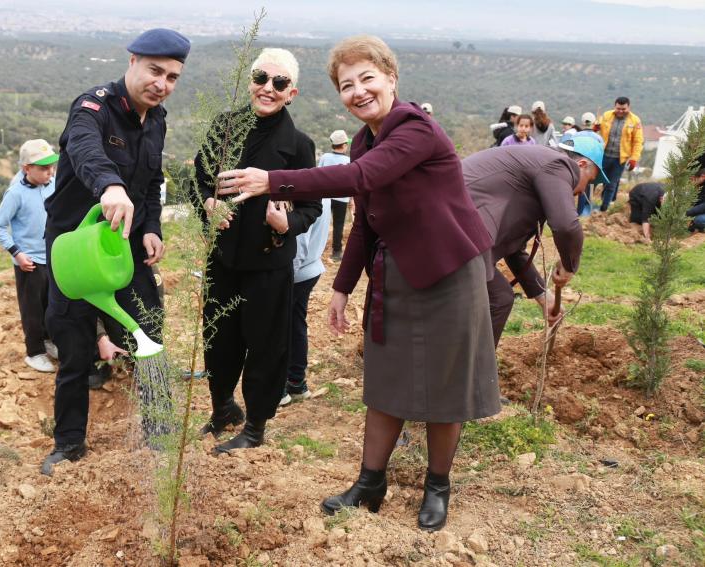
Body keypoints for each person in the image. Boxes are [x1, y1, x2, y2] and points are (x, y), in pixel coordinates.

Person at [217, 35, 499, 532]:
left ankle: (438, 486)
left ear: (392, 78)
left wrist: (272, 181)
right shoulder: (369, 139)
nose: (359, 91)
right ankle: (370, 483)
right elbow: (367, 217)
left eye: (368, 78)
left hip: (449, 269)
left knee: (444, 382)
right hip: (397, 271)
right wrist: (343, 286)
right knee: (386, 379)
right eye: (347, 85)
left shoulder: (415, 130)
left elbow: (361, 179)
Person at [40, 28, 190, 476]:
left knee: (149, 337)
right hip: (73, 249)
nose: (161, 83)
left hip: (124, 250)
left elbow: (151, 184)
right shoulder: (93, 107)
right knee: (74, 347)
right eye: (154, 70)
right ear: (131, 62)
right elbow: (85, 150)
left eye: (172, 77)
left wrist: (151, 227)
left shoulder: (157, 120)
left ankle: (161, 436)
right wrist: (109, 185)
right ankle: (68, 445)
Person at [195, 48, 322, 454]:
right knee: (218, 339)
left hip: (268, 264)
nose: (268, 88)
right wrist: (208, 205)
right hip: (223, 260)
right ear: (251, 80)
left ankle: (254, 427)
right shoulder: (225, 127)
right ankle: (222, 409)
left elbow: (312, 207)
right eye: (261, 78)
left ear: (292, 93)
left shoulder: (299, 145)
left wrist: (288, 224)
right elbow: (198, 180)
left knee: (266, 346)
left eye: (279, 83)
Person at [462, 136, 609, 347]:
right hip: (456, 233)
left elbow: (514, 250)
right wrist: (569, 265)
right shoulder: (557, 164)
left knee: (499, 298)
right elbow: (566, 225)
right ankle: (472, 374)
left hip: (458, 233)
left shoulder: (538, 167)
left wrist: (543, 296)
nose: (583, 191)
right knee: (496, 300)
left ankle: (473, 372)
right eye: (590, 180)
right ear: (581, 164)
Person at [0, 139, 59, 373]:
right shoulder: (16, 193)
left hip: (53, 256)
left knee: (52, 305)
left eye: (52, 166)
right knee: (32, 309)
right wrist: (17, 254)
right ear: (26, 169)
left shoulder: (53, 183)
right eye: (43, 168)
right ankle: (35, 352)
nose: (49, 172)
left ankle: (49, 342)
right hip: (29, 262)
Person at [278, 195, 332, 406]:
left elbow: (299, 242)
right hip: (310, 268)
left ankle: (280, 390)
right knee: (295, 324)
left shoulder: (302, 193)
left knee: (279, 329)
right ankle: (296, 383)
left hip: (297, 272)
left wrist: (284, 281)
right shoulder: (322, 191)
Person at [597, 96, 643, 212]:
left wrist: (634, 159)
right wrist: (595, 127)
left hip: (620, 159)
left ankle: (604, 208)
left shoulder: (635, 121)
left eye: (623, 109)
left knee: (611, 183)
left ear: (628, 107)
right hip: (604, 155)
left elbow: (638, 141)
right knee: (604, 181)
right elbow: (598, 128)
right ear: (615, 106)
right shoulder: (607, 116)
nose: (621, 111)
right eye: (618, 108)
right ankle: (607, 201)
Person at [319, 129, 351, 260]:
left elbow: (318, 174)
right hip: (342, 198)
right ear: (344, 145)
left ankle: (317, 250)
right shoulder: (349, 160)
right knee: (338, 225)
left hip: (325, 197)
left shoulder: (325, 157)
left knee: (321, 224)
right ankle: (336, 252)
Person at [686, 167, 705, 232]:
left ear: (703, 176)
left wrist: (687, 212)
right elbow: (699, 201)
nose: (692, 181)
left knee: (699, 219)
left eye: (694, 179)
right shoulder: (701, 187)